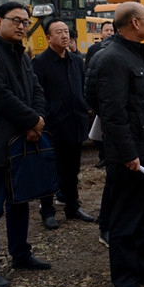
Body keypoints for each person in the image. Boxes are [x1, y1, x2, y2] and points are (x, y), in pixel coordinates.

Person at [90, 2, 144, 287]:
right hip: (131, 156)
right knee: (126, 218)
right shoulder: (112, 58)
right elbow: (112, 112)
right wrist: (127, 152)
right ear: (135, 23)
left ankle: (143, 268)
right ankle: (124, 280)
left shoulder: (138, 53)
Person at [0, 2, 51, 287]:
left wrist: (37, 120)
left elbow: (36, 90)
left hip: (23, 143)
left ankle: (20, 254)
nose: (21, 26)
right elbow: (0, 96)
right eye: (15, 20)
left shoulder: (23, 55)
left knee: (19, 202)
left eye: (25, 22)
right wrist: (32, 121)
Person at [32, 19, 94, 229]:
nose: (64, 36)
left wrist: (84, 107)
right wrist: (45, 115)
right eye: (58, 32)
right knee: (50, 170)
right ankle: (47, 211)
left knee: (72, 170)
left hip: (75, 122)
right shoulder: (40, 63)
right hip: (53, 126)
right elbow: (38, 94)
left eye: (66, 31)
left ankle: (72, 206)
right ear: (48, 38)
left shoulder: (75, 60)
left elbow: (82, 87)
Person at [86, 21, 115, 169]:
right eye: (106, 30)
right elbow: (88, 74)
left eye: (111, 30)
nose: (109, 32)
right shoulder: (94, 50)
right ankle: (103, 156)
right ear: (101, 33)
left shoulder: (118, 49)